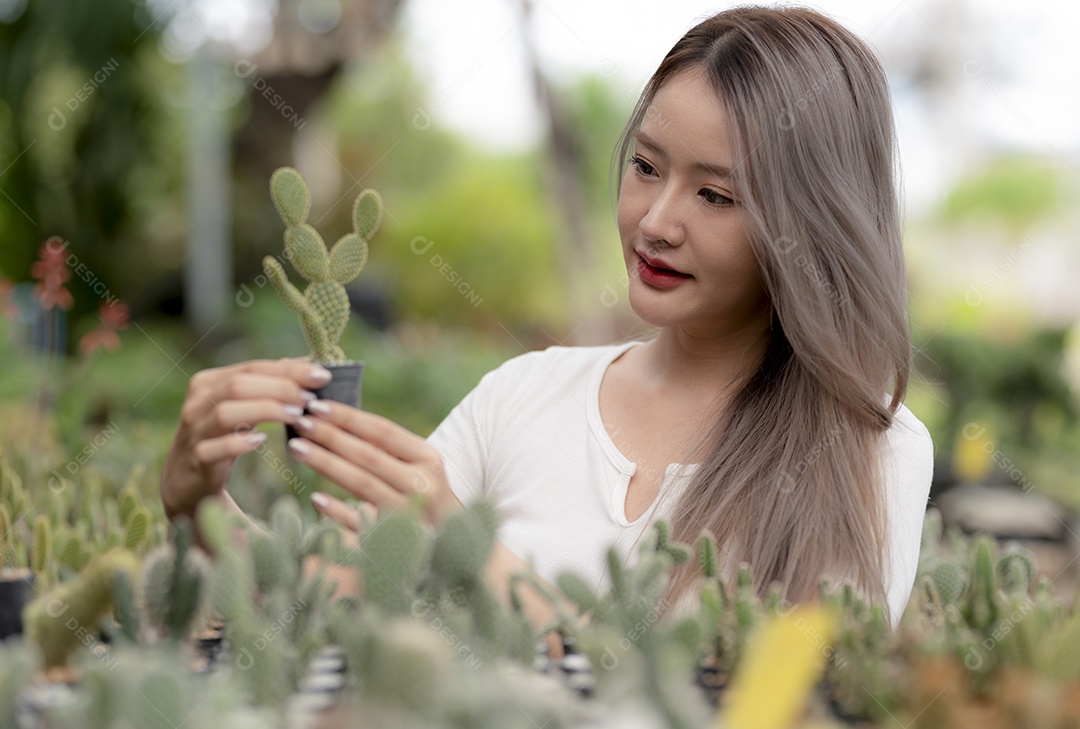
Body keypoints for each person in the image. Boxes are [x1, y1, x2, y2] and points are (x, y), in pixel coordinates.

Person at [160, 5, 933, 631]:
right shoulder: (523, 395)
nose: (656, 220)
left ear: (812, 223)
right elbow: (321, 603)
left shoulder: (869, 448)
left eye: (716, 195)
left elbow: (798, 696)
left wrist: (474, 555)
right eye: (646, 166)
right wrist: (200, 501)